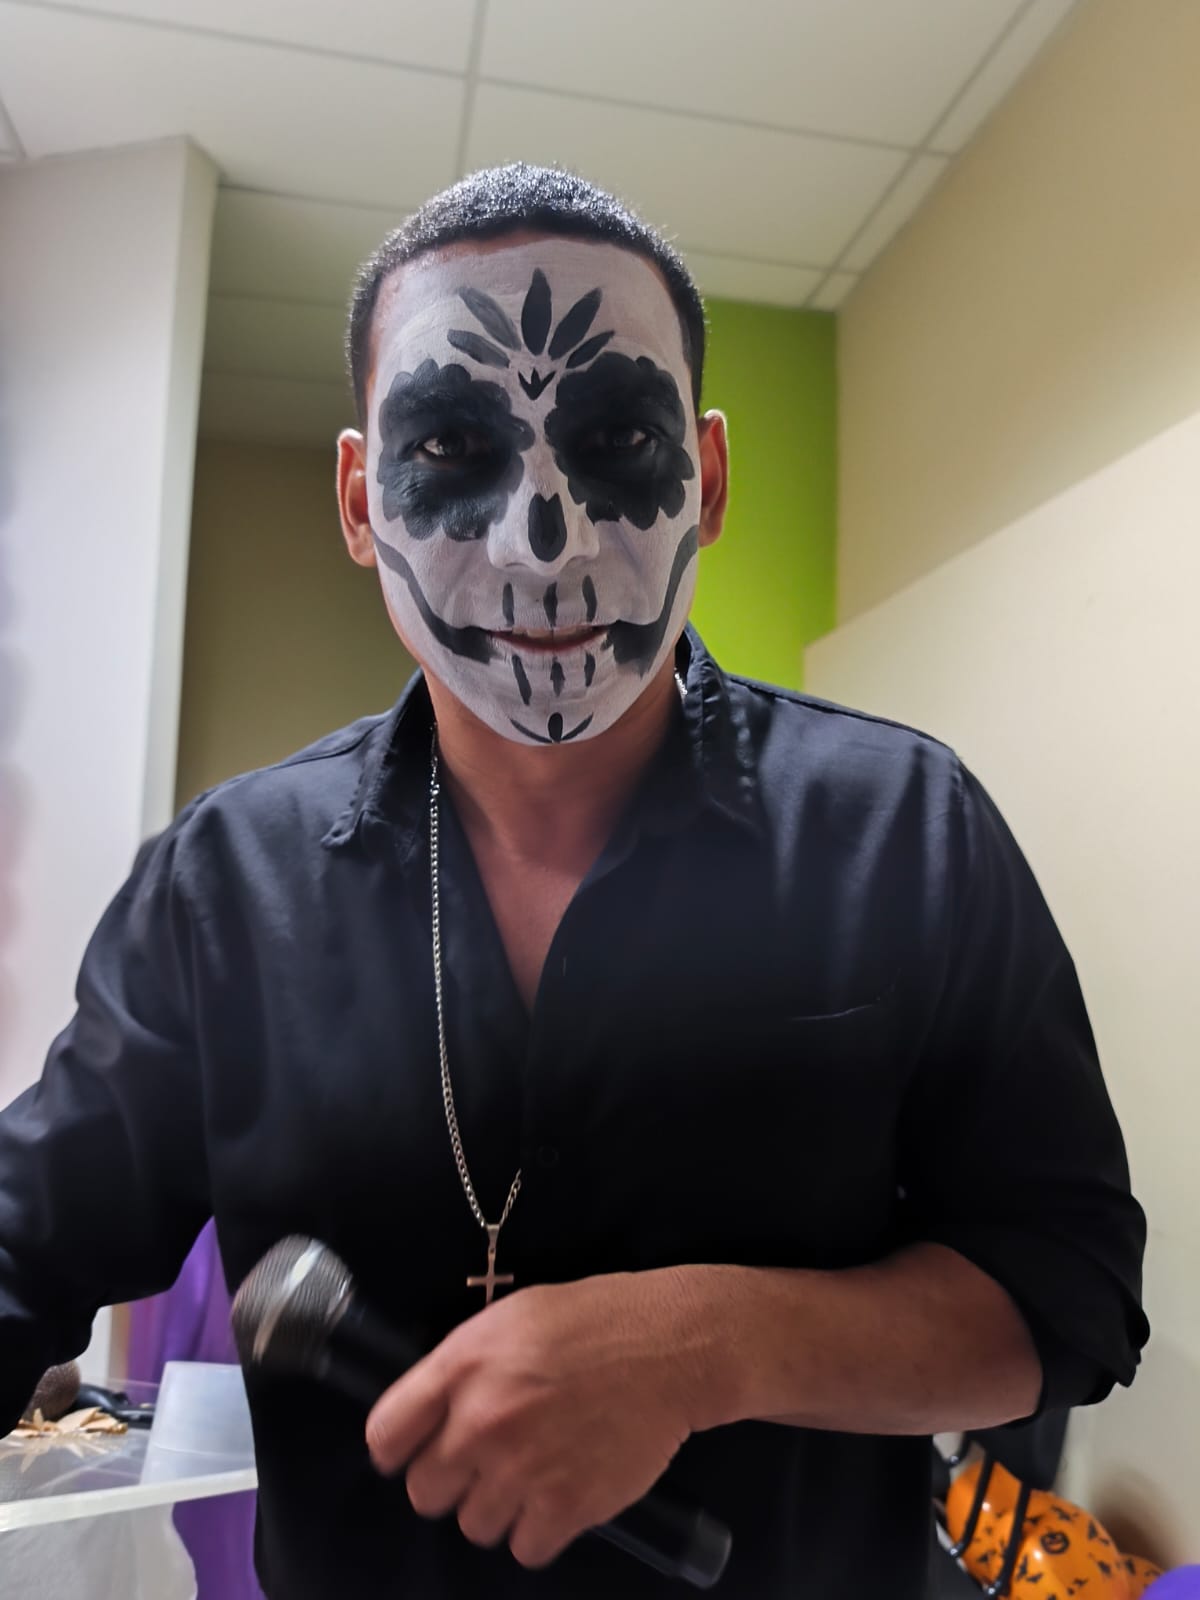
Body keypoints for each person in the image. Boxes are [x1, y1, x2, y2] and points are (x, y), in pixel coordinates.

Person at [0, 164, 1148, 1599]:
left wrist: (706, 1344)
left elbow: (1070, 1293)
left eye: (618, 440)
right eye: (450, 446)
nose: (542, 538)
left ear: (707, 480)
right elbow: (22, 1249)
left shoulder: (906, 832)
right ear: (358, 499)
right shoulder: (224, 889)